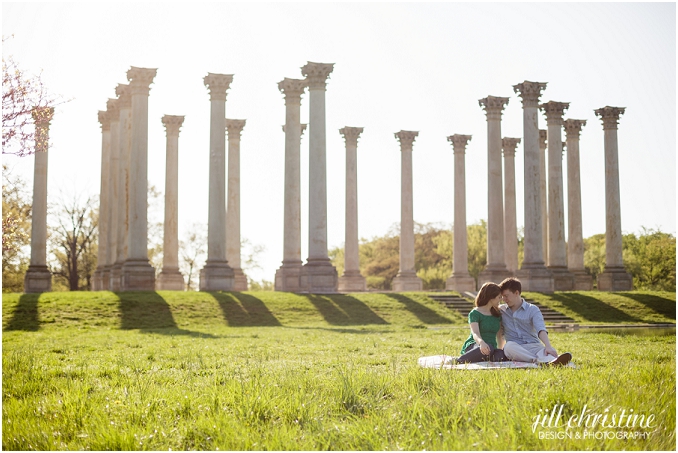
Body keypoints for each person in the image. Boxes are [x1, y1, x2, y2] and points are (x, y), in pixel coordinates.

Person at [498, 277, 572, 366]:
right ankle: (539, 361)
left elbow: (541, 329)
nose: (504, 299)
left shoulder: (532, 309)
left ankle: (551, 360)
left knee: (545, 352)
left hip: (534, 346)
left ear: (516, 293)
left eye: (506, 296)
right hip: (515, 348)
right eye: (502, 297)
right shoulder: (501, 310)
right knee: (508, 347)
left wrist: (548, 346)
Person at [457, 282, 508, 363]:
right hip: (476, 345)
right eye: (499, 297)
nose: (501, 299)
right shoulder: (475, 313)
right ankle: (459, 361)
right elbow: (475, 333)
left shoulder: (497, 314)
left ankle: (482, 357)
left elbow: (499, 336)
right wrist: (482, 343)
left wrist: (500, 350)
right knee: (488, 348)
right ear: (491, 297)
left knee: (501, 355)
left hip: (491, 349)